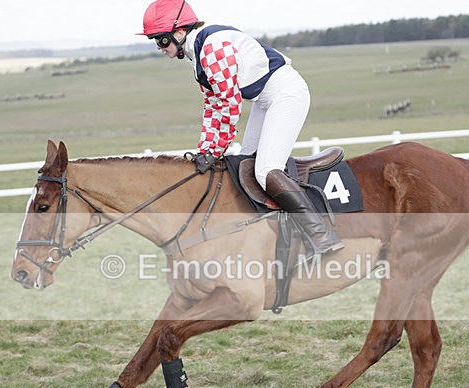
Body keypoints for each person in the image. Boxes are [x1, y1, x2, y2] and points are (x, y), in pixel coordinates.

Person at [139, 0, 343, 261]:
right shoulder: (197, 52)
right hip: (265, 99)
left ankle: (322, 236)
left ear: (179, 32)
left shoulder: (211, 48)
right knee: (244, 165)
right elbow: (212, 107)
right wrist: (205, 150)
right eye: (156, 42)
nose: (159, 48)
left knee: (265, 170)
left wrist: (217, 150)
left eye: (162, 40)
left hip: (286, 94)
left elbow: (229, 105)